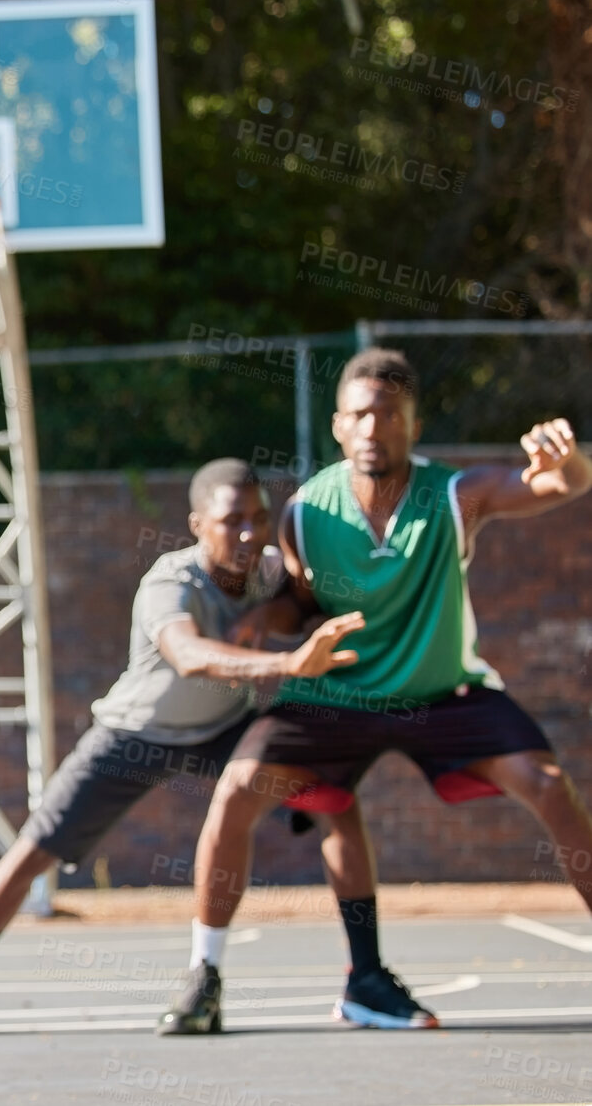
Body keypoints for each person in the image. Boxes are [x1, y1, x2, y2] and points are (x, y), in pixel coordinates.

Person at [164, 348, 592, 1036]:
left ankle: (363, 980)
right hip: (339, 696)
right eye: (359, 414)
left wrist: (565, 463)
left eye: (387, 414)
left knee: (545, 782)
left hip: (445, 694)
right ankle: (203, 975)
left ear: (411, 424)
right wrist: (262, 622)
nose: (372, 427)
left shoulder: (455, 494)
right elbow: (298, 601)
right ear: (338, 425)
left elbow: (558, 486)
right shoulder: (306, 511)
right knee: (238, 788)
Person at [0, 459, 366, 1037]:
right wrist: (287, 662)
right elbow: (189, 655)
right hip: (136, 733)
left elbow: (311, 599)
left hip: (223, 730)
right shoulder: (171, 583)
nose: (247, 533)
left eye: (258, 520)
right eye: (231, 521)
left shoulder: (270, 572)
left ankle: (363, 977)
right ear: (197, 524)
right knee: (33, 850)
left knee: (335, 802)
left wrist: (280, 613)